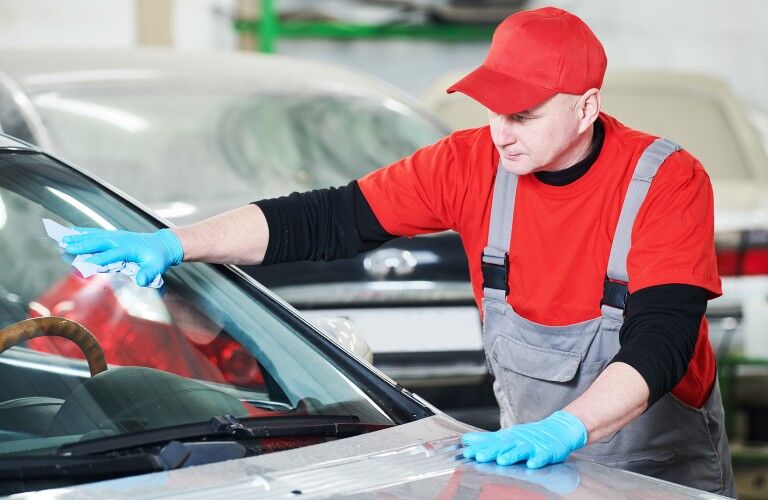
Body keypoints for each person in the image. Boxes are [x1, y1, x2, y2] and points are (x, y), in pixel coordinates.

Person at [60, 7, 734, 496]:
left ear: (586, 109)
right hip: (535, 468)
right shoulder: (471, 164)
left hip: (656, 472)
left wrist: (566, 428)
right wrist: (180, 241)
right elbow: (328, 219)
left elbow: (662, 340)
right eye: (493, 110)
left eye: (523, 115)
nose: (499, 133)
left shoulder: (664, 181)